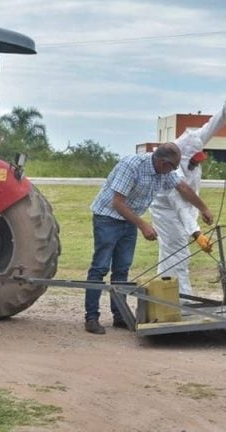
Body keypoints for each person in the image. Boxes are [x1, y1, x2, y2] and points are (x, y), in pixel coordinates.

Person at [84, 142, 214, 334]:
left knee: (122, 270)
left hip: (128, 220)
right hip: (108, 218)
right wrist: (143, 225)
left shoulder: (165, 172)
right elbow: (117, 203)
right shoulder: (131, 166)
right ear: (162, 162)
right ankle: (91, 318)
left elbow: (183, 188)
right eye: (173, 167)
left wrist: (203, 208)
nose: (174, 171)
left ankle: (119, 316)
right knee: (100, 267)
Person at [150, 85, 226, 297]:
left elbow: (211, 126)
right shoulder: (171, 170)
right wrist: (196, 233)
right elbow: (179, 204)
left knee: (170, 256)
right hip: (167, 212)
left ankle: (165, 297)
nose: (198, 165)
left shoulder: (192, 142)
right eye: (194, 162)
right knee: (178, 255)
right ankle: (183, 302)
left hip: (184, 209)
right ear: (182, 158)